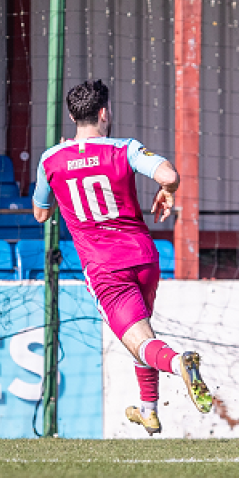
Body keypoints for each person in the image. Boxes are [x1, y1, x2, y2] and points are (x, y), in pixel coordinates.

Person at [32, 80, 213, 435]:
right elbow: (169, 175)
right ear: (104, 113)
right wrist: (167, 191)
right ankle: (149, 409)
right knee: (143, 333)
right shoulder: (124, 148)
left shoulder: (51, 159)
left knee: (140, 341)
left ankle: (179, 363)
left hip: (105, 268)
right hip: (144, 259)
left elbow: (41, 214)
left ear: (73, 116)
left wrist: (60, 184)